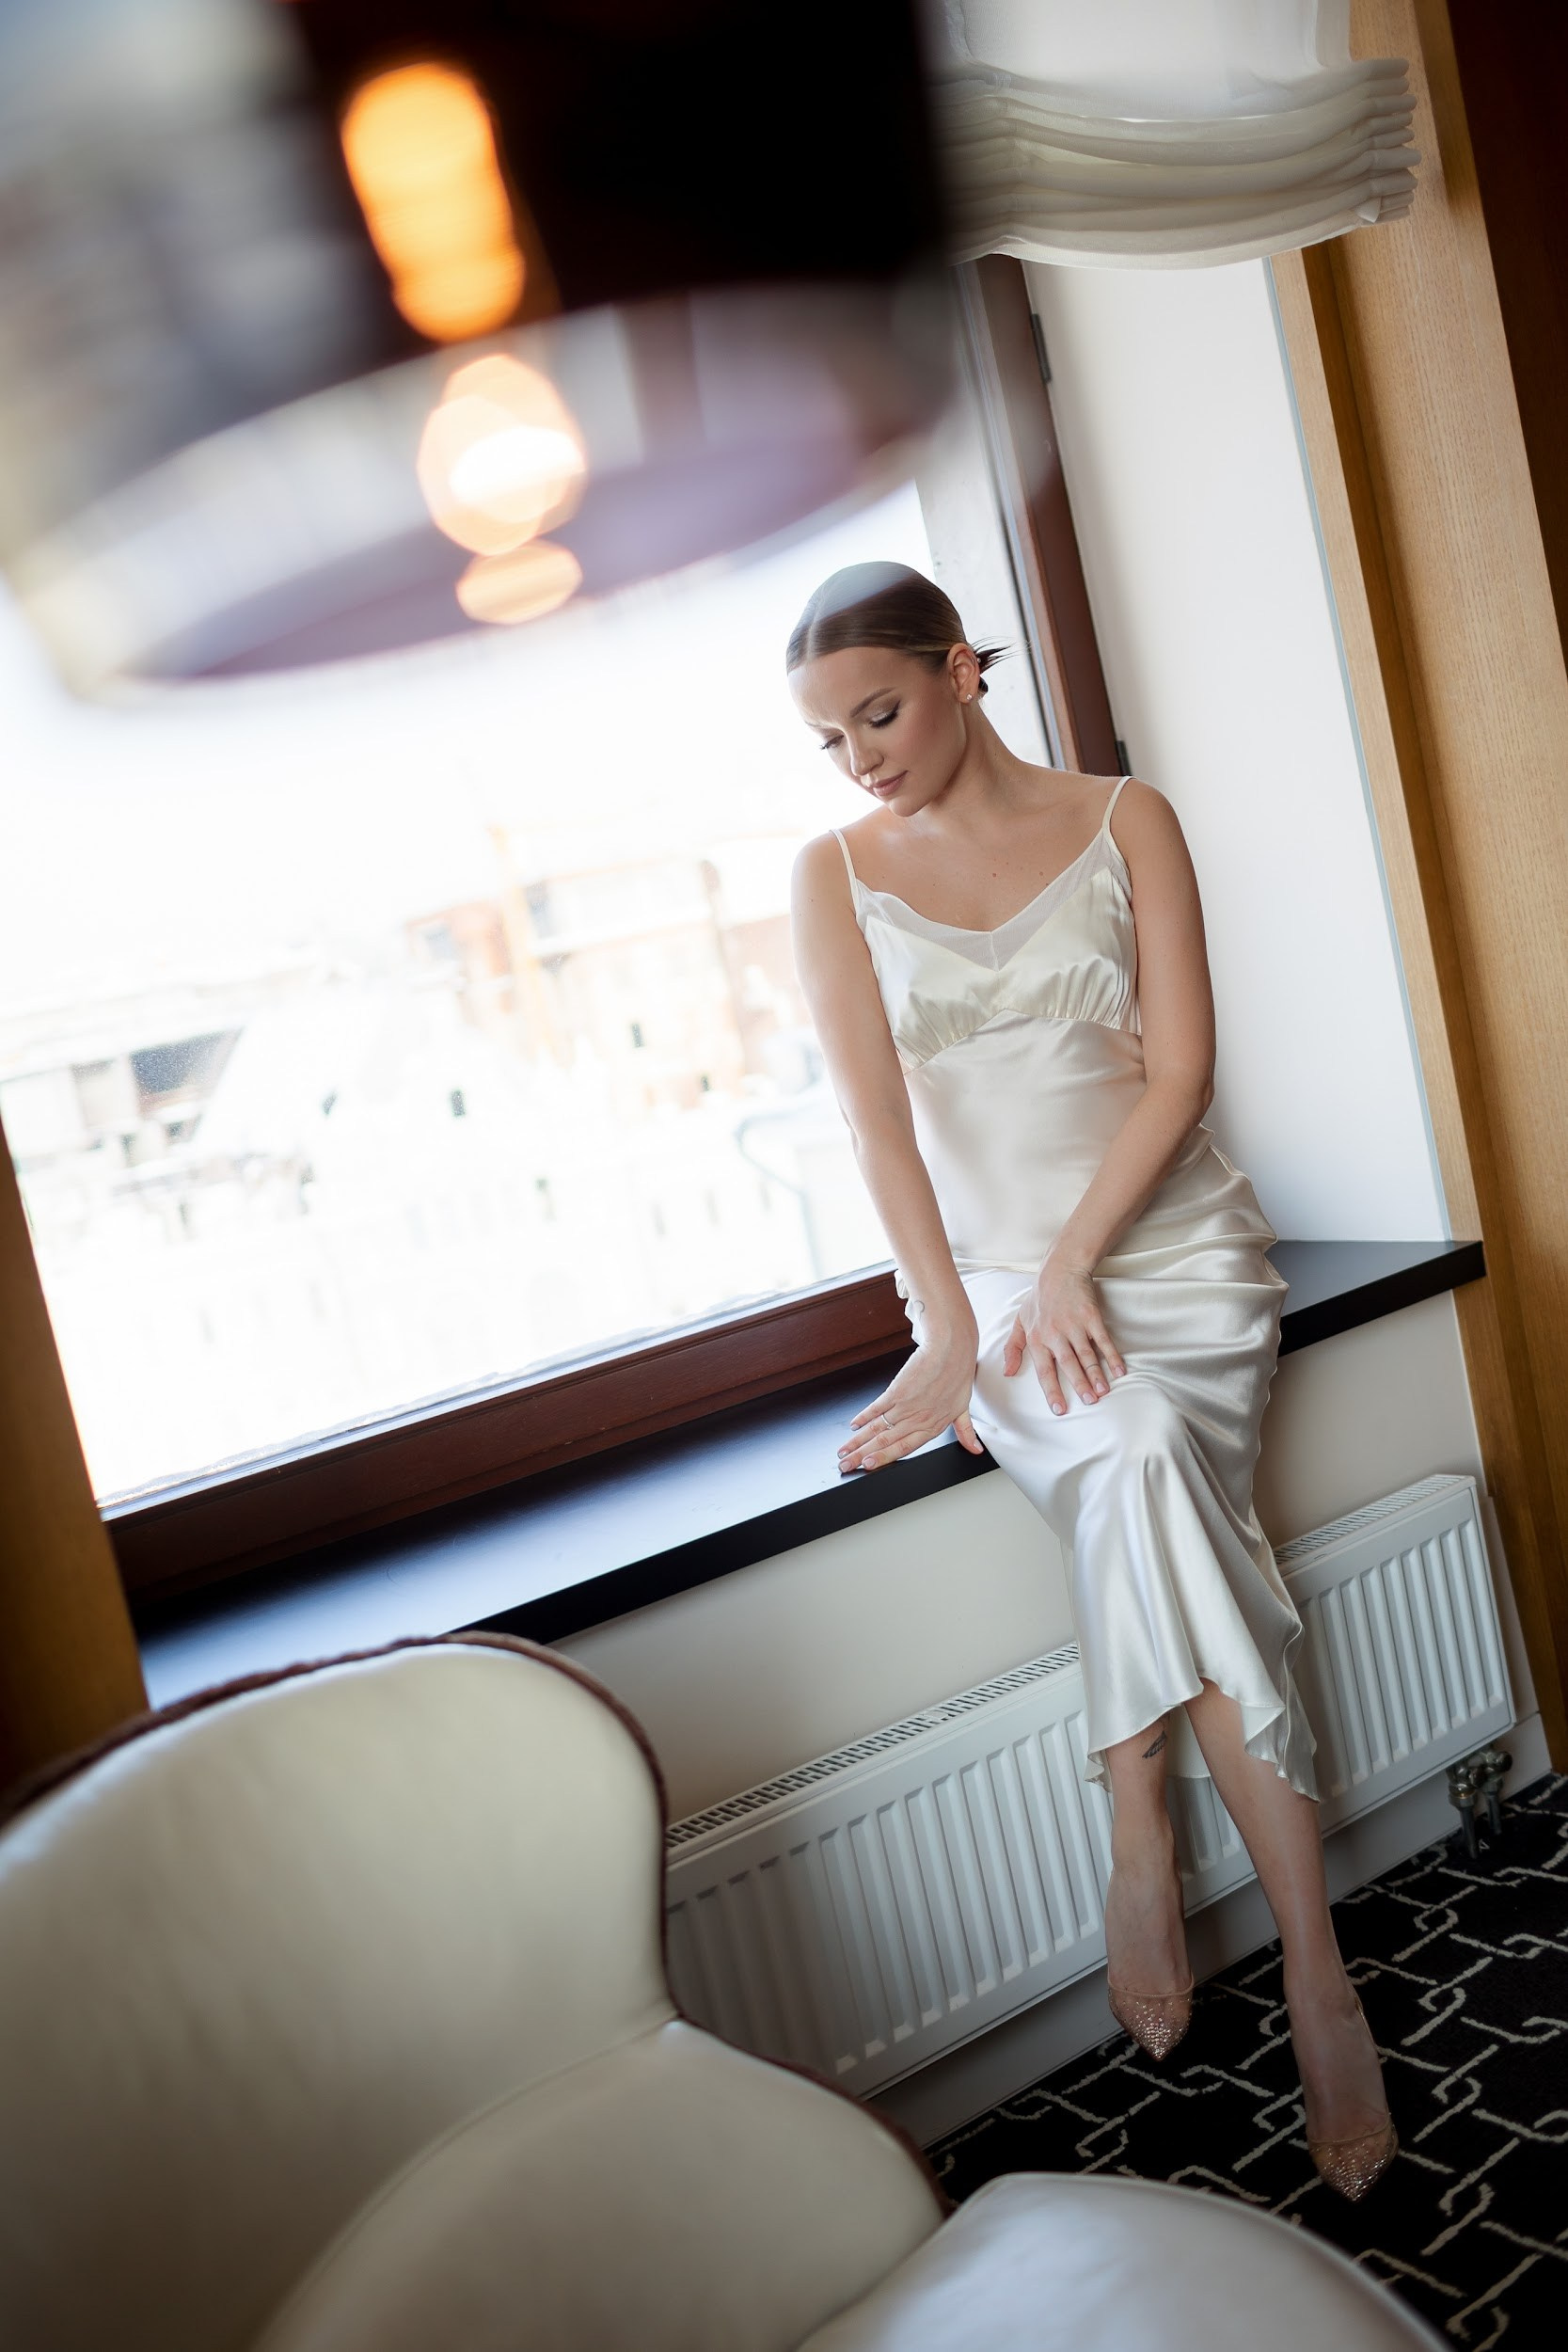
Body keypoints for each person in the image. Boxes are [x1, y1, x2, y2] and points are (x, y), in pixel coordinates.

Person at [786, 559, 1396, 2201]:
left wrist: (1077, 1265)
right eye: (830, 741)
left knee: (1143, 1469)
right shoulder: (832, 875)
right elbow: (876, 1127)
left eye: (879, 713)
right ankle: (1316, 1967)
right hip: (994, 1290)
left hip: (1177, 1258)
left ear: (962, 668)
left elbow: (1182, 1070)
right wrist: (950, 1330)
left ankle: (1136, 1797)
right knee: (1135, 1465)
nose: (860, 759)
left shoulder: (1129, 817)